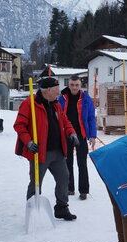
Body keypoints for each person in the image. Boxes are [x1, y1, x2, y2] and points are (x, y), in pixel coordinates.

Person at [14, 77, 79, 221]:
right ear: (48, 90)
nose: (59, 93)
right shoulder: (30, 104)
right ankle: (32, 210)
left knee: (64, 178)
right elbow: (19, 125)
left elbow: (64, 120)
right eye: (57, 90)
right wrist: (28, 142)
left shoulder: (56, 104)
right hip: (39, 152)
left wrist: (71, 132)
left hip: (57, 151)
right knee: (36, 182)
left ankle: (62, 208)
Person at [58, 75, 97, 200]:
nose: (74, 87)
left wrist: (92, 135)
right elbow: (57, 117)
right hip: (67, 134)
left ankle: (84, 190)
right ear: (68, 85)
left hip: (81, 134)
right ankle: (70, 188)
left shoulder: (86, 99)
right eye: (72, 85)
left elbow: (91, 118)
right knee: (67, 162)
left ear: (80, 86)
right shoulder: (62, 98)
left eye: (77, 85)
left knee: (82, 163)